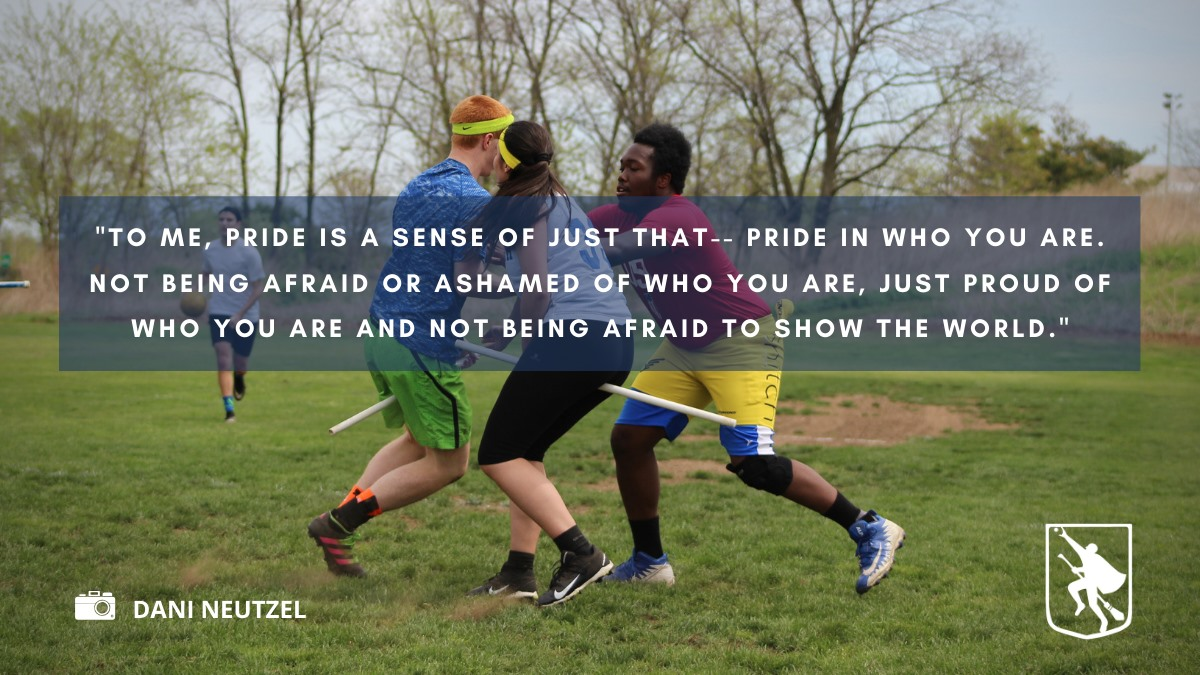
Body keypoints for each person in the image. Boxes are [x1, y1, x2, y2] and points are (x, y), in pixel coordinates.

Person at [591, 123, 906, 594]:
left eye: (633, 168)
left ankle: (868, 526)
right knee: (629, 439)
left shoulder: (679, 216)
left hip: (743, 342)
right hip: (684, 346)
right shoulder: (614, 215)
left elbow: (614, 251)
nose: (621, 175)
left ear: (663, 179)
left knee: (755, 465)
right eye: (621, 166)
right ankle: (650, 563)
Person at [307, 95, 512, 577]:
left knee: (417, 440)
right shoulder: (475, 201)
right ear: (489, 140)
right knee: (451, 463)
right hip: (418, 342)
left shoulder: (418, 185)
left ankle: (337, 530)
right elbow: (467, 280)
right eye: (504, 145)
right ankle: (338, 523)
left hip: (382, 330)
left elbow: (426, 266)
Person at [463, 121, 633, 606]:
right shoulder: (561, 201)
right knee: (525, 452)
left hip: (575, 339)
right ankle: (519, 570)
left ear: (506, 163)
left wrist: (527, 337)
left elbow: (538, 290)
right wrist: (509, 330)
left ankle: (581, 553)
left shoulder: (526, 206)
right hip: (614, 341)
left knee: (498, 454)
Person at [201, 206, 265, 423]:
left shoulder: (249, 253)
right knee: (222, 359)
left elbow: (258, 288)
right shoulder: (210, 250)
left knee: (241, 362)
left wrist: (240, 314)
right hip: (219, 311)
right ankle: (229, 410)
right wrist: (196, 295)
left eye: (229, 220)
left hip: (246, 315)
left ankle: (239, 377)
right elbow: (206, 274)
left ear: (238, 224)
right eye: (221, 219)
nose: (225, 223)